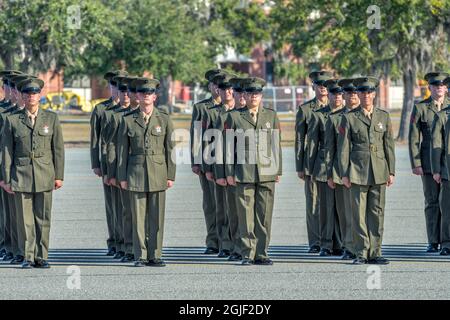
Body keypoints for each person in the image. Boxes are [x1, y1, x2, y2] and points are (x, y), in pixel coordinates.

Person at [2, 78, 65, 269]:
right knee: (24, 220)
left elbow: (58, 149)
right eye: (28, 93)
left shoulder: (51, 118)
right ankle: (28, 257)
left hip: (45, 174)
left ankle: (41, 256)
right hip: (21, 175)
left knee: (43, 218)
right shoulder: (12, 120)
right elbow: (6, 151)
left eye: (35, 93)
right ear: (22, 96)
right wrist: (5, 179)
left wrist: (59, 175)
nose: (31, 96)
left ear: (40, 95)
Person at [117, 77, 176, 267]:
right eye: (142, 93)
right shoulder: (127, 120)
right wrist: (122, 177)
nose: (146, 96)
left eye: (149, 93)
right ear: (137, 96)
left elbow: (170, 149)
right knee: (138, 217)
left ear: (155, 97)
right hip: (135, 172)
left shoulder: (164, 119)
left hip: (158, 171)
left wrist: (170, 175)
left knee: (156, 216)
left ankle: (155, 254)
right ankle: (140, 255)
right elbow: (121, 152)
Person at [223, 77, 282, 266]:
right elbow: (227, 148)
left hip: (266, 172)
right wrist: (230, 173)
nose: (254, 97)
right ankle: (247, 253)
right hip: (243, 171)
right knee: (245, 215)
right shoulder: (234, 117)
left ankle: (262, 252)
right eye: (250, 94)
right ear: (244, 96)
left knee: (264, 214)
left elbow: (275, 144)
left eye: (257, 94)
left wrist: (277, 169)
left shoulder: (270, 116)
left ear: (261, 96)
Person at [338, 76, 395, 265]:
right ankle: (361, 252)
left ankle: (375, 252)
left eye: (369, 92)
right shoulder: (349, 117)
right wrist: (344, 173)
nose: (365, 95)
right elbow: (343, 148)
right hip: (357, 170)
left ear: (374, 94)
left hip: (379, 170)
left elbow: (389, 145)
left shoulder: (383, 116)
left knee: (377, 213)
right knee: (358, 214)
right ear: (358, 94)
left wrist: (391, 171)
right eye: (362, 92)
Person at [409, 72, 449, 253]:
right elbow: (413, 138)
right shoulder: (421, 108)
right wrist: (416, 163)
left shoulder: (449, 107)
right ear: (429, 88)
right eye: (435, 85)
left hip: (447, 161)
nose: (439, 88)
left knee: (446, 203)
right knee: (432, 201)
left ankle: (446, 239)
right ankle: (433, 240)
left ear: (446, 88)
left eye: (442, 85)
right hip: (427, 163)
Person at [90, 70, 128, 256]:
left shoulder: (132, 109)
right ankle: (115, 241)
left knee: (128, 206)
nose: (117, 90)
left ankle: (128, 242)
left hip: (129, 164)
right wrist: (96, 163)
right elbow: (95, 139)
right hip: (109, 163)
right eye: (114, 85)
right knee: (113, 205)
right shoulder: (101, 109)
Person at [296, 70, 333, 253]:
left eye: (326, 85)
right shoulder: (305, 109)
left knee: (330, 204)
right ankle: (315, 242)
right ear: (314, 87)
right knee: (313, 204)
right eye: (319, 85)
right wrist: (300, 166)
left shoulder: (336, 106)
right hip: (311, 164)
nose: (323, 88)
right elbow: (300, 140)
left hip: (331, 164)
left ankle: (331, 241)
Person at [190, 69, 224, 255]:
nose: (217, 88)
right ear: (210, 86)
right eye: (214, 84)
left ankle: (229, 240)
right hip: (208, 161)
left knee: (229, 204)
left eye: (221, 84)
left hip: (228, 162)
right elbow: (196, 135)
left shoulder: (234, 106)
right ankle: (213, 241)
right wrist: (196, 161)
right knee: (211, 204)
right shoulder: (202, 108)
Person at [308, 79, 344, 257]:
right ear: (327, 95)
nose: (337, 97)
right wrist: (309, 168)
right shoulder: (319, 114)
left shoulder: (349, 114)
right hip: (323, 166)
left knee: (342, 208)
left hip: (344, 167)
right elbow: (312, 143)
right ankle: (325, 244)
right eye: (333, 94)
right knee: (325, 208)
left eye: (339, 94)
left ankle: (341, 243)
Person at [430, 75, 450, 256]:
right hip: (447, 170)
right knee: (447, 209)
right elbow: (436, 145)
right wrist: (436, 170)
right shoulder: (443, 116)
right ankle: (446, 243)